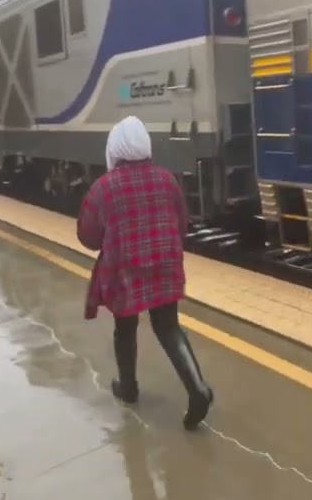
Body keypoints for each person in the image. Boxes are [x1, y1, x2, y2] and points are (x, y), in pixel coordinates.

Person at [77, 116, 214, 430]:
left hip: (125, 269)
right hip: (165, 263)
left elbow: (87, 237)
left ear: (115, 148)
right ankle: (198, 388)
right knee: (168, 327)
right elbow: (182, 225)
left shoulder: (104, 187)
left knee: (125, 328)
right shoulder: (167, 179)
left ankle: (128, 388)